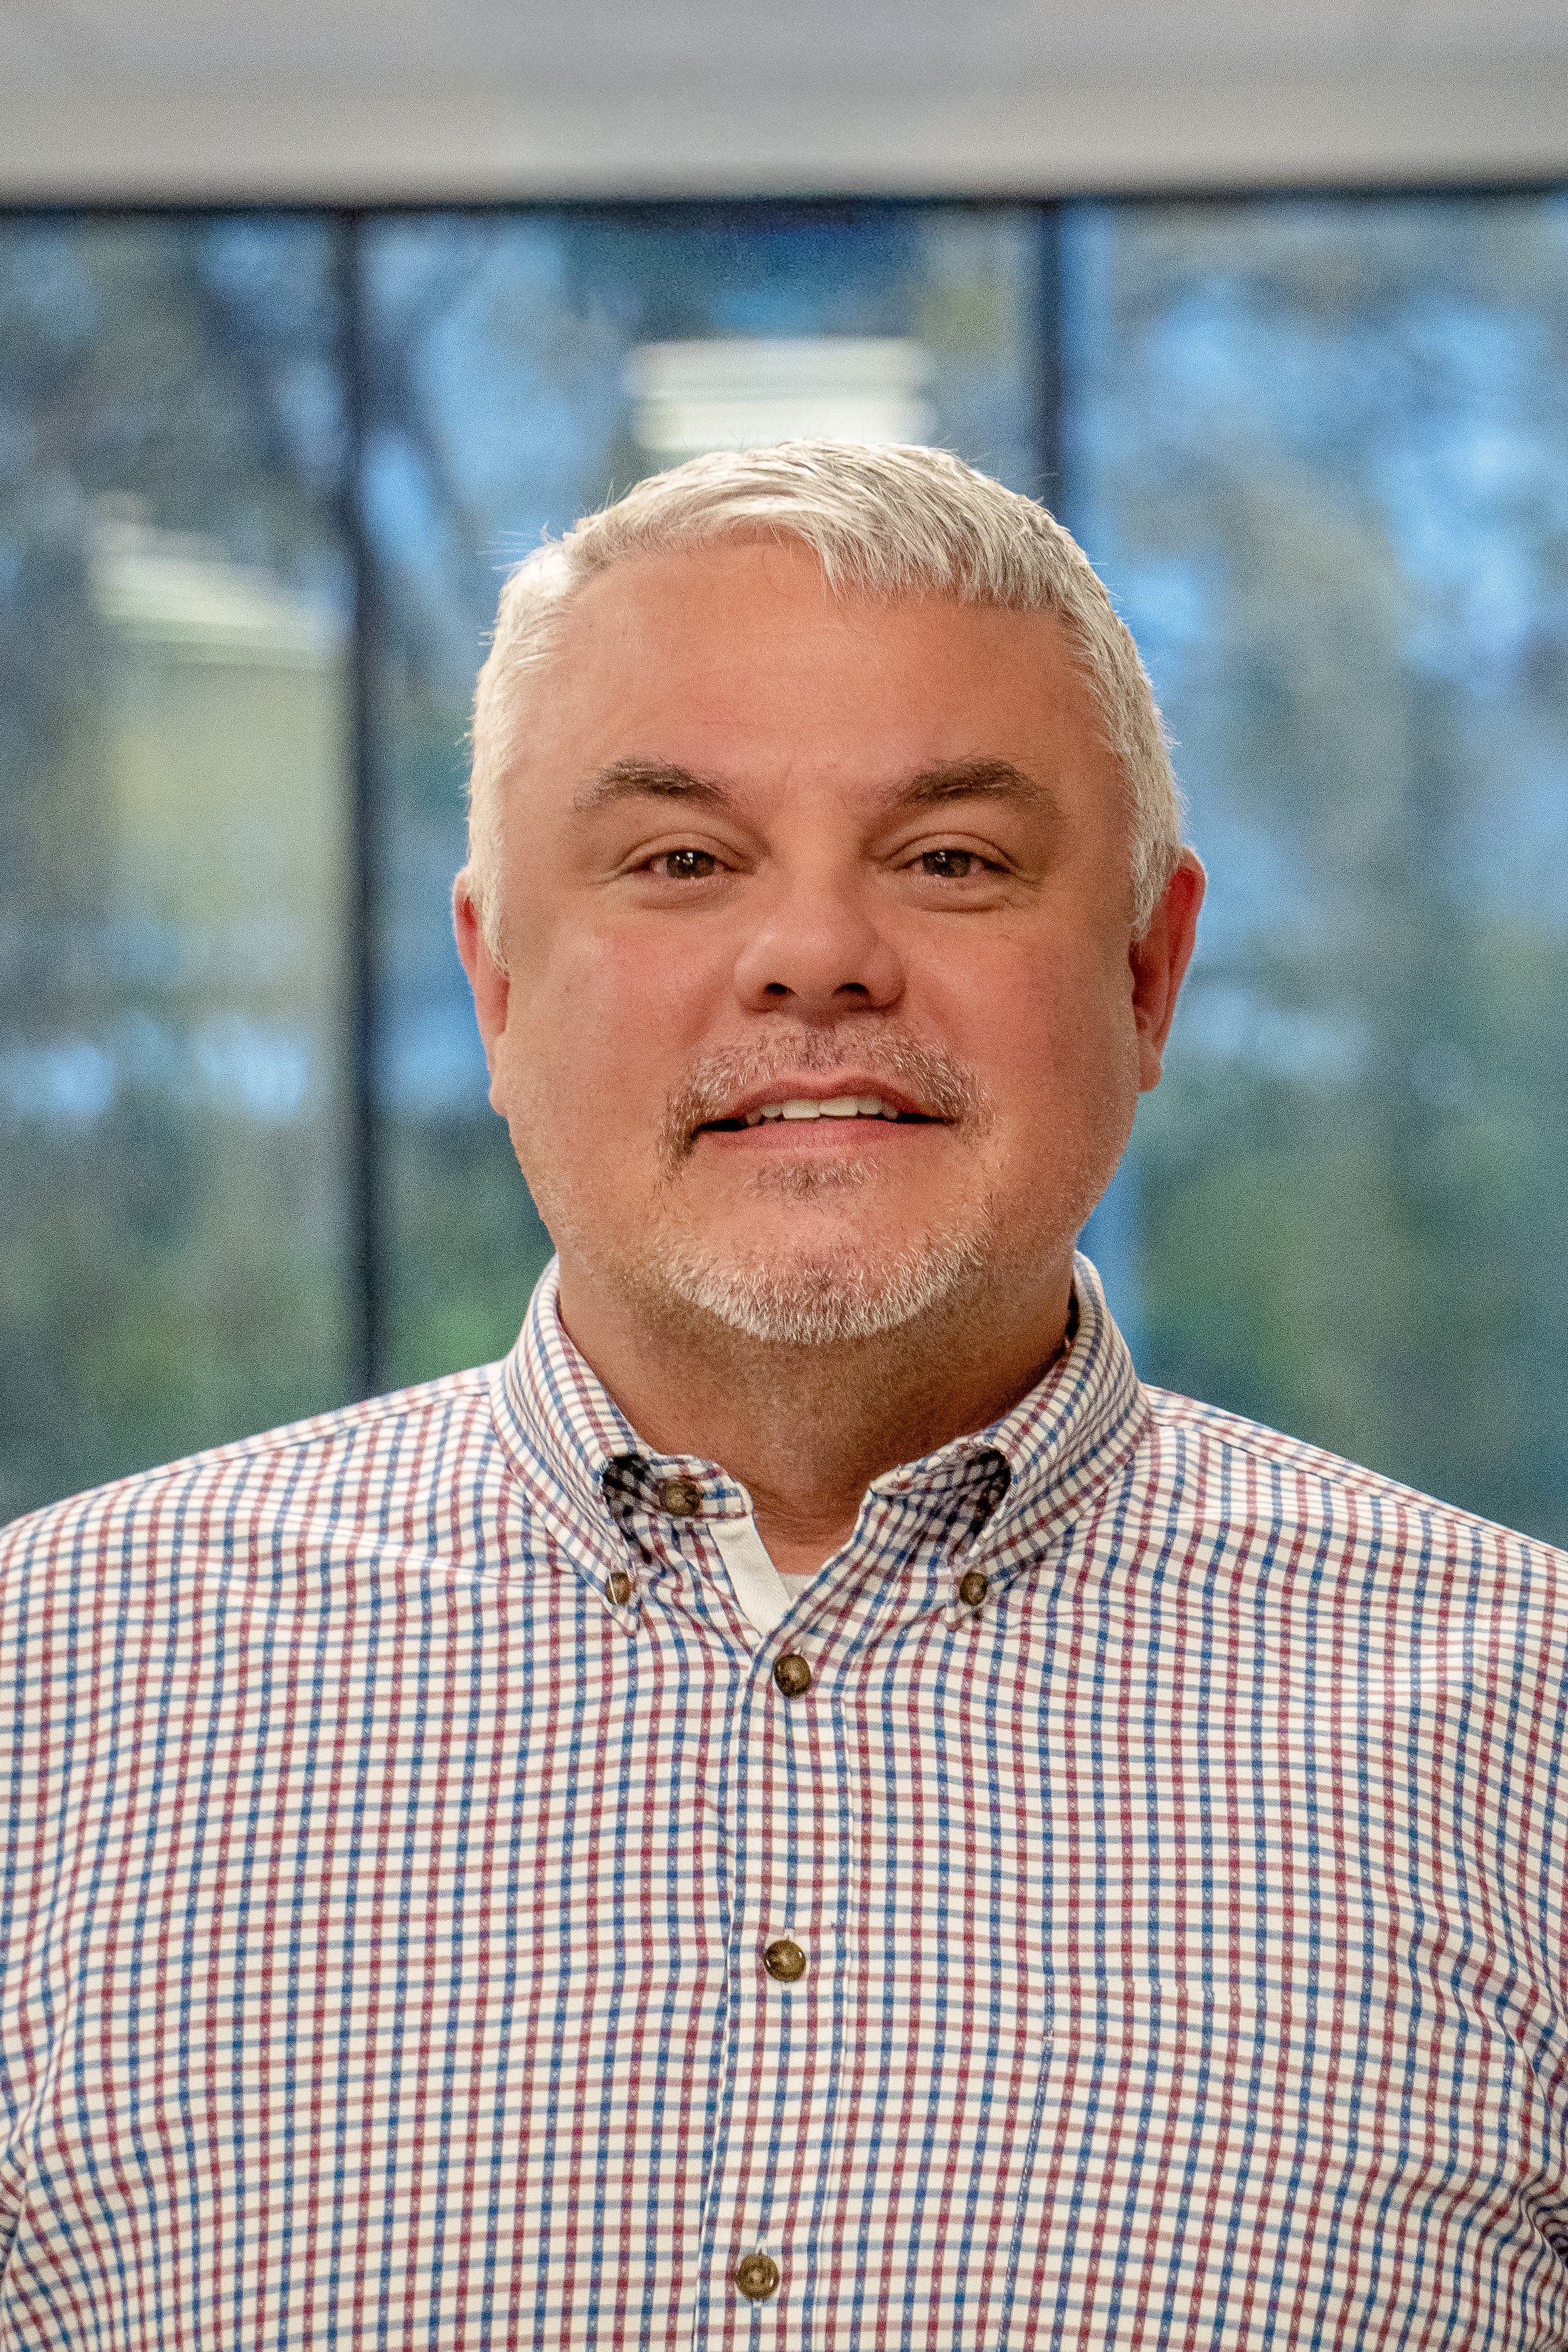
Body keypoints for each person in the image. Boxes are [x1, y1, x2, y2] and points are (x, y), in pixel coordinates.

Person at [1, 440, 1564, 2352]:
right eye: (679, 860)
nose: (815, 956)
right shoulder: (42, 1705)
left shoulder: (1529, 1742)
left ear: (1148, 976)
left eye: (951, 862)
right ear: (496, 986)